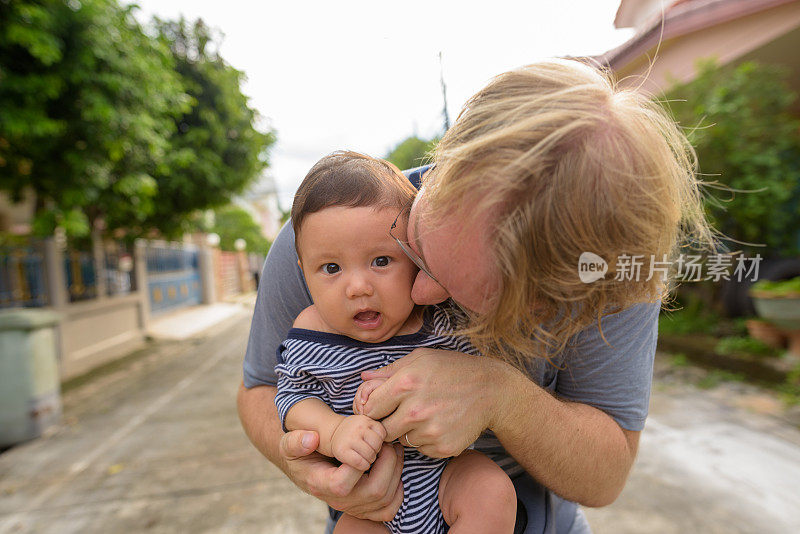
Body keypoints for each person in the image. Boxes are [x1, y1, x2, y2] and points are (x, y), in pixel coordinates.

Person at [237, 59, 713, 534]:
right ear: (445, 160)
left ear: (550, 301)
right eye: (416, 248)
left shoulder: (612, 272)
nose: (422, 294)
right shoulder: (328, 239)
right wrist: (306, 460)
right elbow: (261, 388)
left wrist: (501, 396)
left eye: (475, 295)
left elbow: (606, 477)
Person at [275, 151, 517, 533]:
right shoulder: (311, 332)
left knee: (491, 490)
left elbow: (478, 379)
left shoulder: (439, 320)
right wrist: (334, 430)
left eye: (381, 261)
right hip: (370, 500)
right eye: (332, 268)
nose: (358, 288)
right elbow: (291, 398)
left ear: (416, 257)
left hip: (446, 476)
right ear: (304, 273)